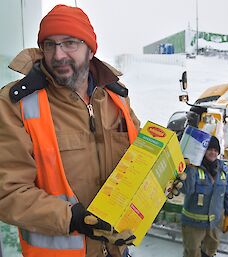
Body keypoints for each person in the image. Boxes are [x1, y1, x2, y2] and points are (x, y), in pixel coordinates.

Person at [0, 4, 140, 257]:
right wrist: (71, 218)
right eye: (50, 44)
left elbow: (138, 163)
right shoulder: (15, 106)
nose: (58, 55)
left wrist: (163, 179)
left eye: (70, 43)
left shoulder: (116, 99)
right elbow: (8, 191)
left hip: (117, 250)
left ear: (90, 50)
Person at [180, 136, 228, 257]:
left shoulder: (224, 171)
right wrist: (189, 169)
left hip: (214, 224)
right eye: (210, 149)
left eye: (216, 150)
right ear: (203, 151)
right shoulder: (194, 168)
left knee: (210, 251)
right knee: (192, 253)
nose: (213, 152)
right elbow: (187, 190)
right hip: (193, 223)